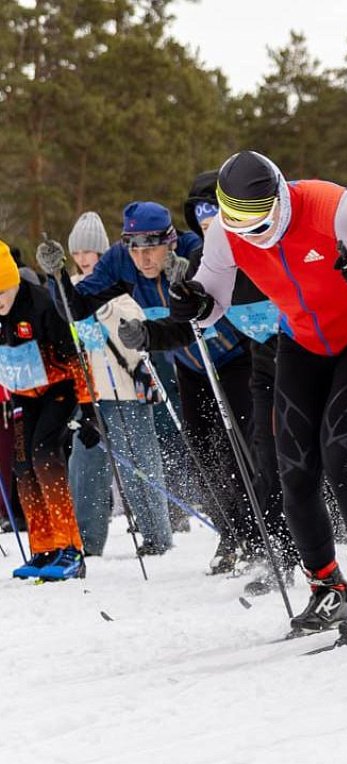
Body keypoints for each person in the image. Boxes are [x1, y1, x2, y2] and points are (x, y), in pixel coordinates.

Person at [169, 150, 347, 640]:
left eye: (259, 218)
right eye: (238, 220)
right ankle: (326, 587)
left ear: (279, 197)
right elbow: (211, 302)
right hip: (301, 342)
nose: (250, 230)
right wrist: (192, 302)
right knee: (290, 467)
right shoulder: (223, 232)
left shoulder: (330, 205)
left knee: (342, 454)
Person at [35, 201, 253, 574]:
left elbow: (227, 287)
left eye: (151, 246)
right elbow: (77, 306)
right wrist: (56, 278)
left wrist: (186, 280)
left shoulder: (192, 249)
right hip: (190, 365)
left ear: (170, 240)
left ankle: (262, 532)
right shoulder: (121, 261)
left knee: (244, 448)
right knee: (203, 453)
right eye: (134, 247)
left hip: (235, 357)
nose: (143, 257)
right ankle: (232, 534)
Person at [181, 171, 299, 595]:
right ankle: (282, 553)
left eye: (214, 209)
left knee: (308, 454)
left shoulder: (261, 242)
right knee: (266, 456)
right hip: (263, 362)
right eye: (200, 212)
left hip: (305, 353)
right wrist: (164, 325)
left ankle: (338, 539)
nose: (208, 218)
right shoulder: (206, 262)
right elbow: (195, 318)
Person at [63, 211, 174, 557]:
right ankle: (87, 539)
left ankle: (156, 534)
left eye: (90, 253)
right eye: (77, 253)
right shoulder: (72, 290)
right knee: (84, 466)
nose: (83, 260)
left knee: (140, 464)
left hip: (125, 390)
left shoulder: (118, 286)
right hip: (91, 395)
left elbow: (139, 332)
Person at [0, 239, 88, 580]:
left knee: (44, 454)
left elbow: (75, 356)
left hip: (58, 389)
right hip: (23, 395)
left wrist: (87, 408)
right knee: (22, 465)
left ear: (11, 283)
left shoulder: (40, 305)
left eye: (1, 294)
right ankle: (44, 546)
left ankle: (71, 548)